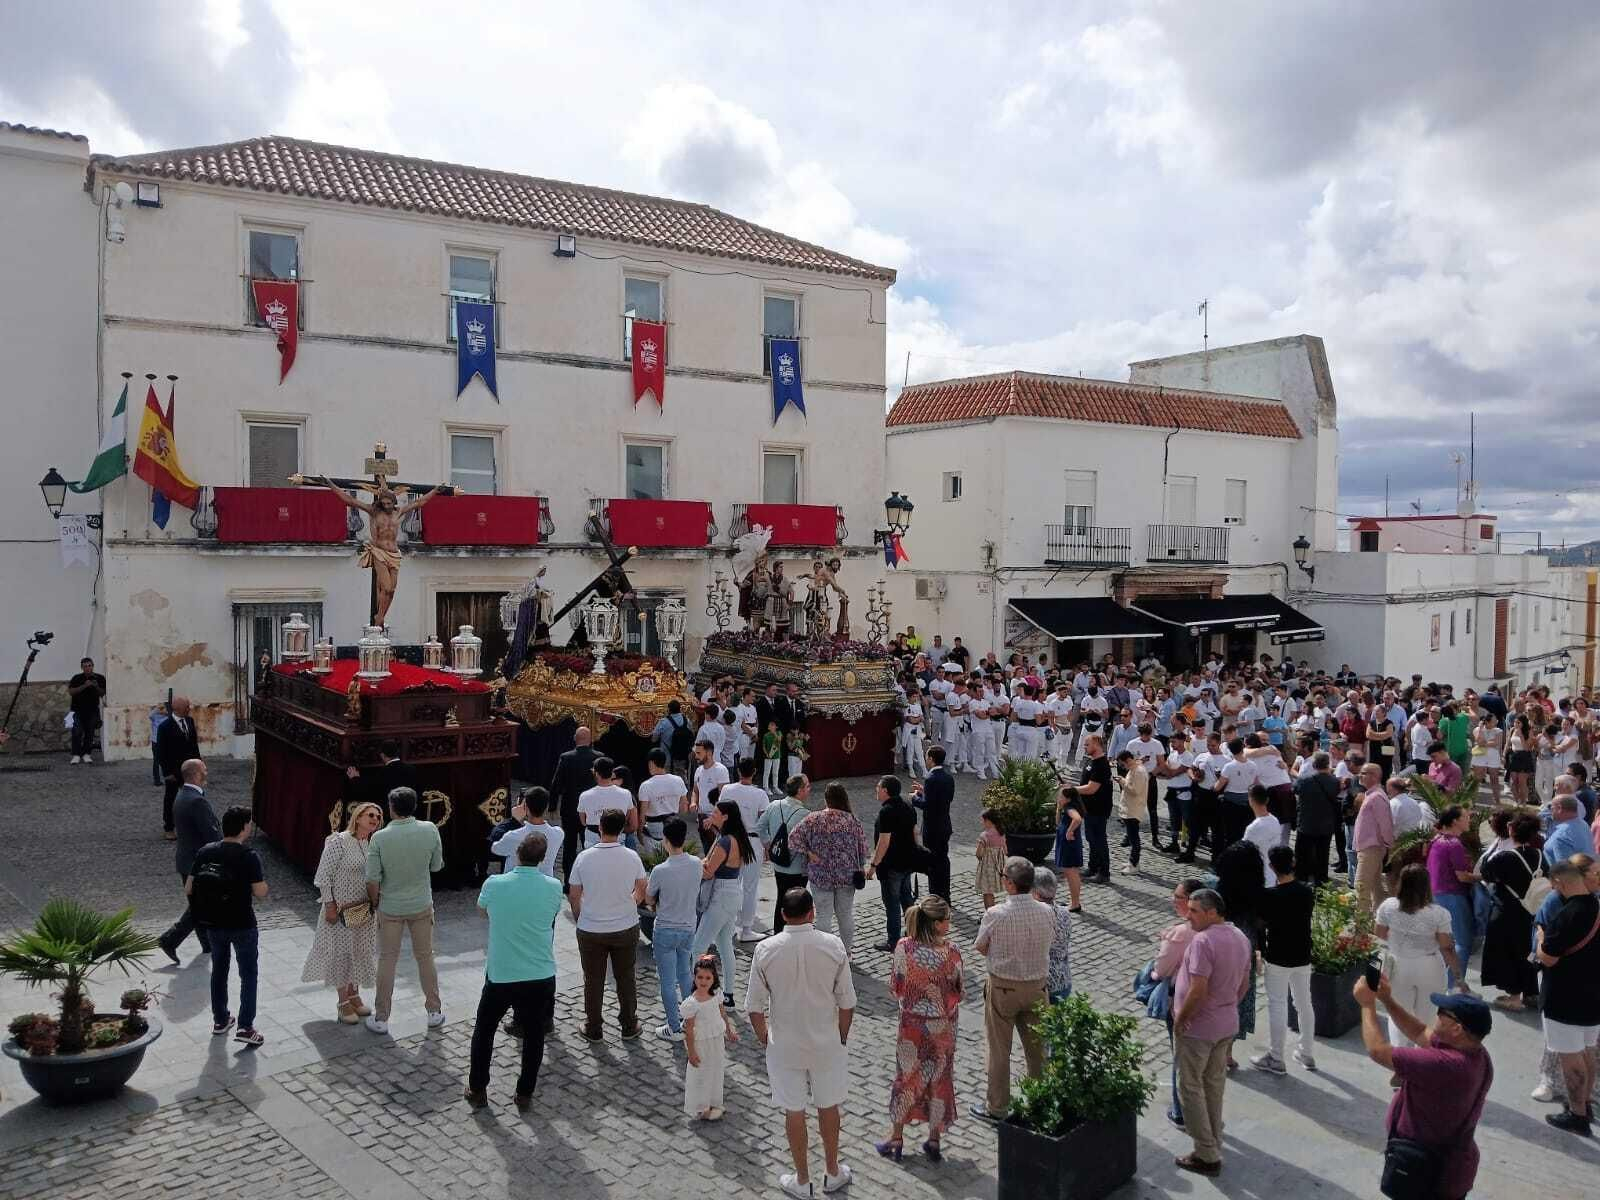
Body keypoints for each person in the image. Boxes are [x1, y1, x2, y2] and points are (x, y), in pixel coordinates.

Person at [747, 888, 857, 1199]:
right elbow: (847, 1002)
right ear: (811, 913)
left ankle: (803, 1178)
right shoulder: (833, 946)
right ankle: (833, 1171)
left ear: (782, 914)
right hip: (826, 1042)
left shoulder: (766, 949)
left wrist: (765, 1039)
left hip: (785, 1044)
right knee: (828, 1105)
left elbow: (754, 1006)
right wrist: (842, 1036)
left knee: (793, 1110)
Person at [1353, 976, 1494, 1200]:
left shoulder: (1447, 1065)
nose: (1437, 1013)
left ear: (1457, 1029)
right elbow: (1419, 1032)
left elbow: (1378, 1050)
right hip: (1446, 1165)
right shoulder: (1476, 1053)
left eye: (1443, 1013)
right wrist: (1387, 1000)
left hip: (1425, 1169)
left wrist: (1367, 1004)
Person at [464, 831, 562, 1111]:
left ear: (517, 854)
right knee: (534, 1035)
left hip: (501, 972)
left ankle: (478, 1087)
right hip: (539, 972)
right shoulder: (553, 887)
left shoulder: (495, 883)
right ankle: (525, 1093)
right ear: (543, 859)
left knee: (485, 1030)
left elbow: (482, 911)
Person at [1171, 888, 1253, 1177]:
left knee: (1190, 1087)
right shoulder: (1241, 937)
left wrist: (1181, 1019)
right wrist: (1227, 1005)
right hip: (1226, 1023)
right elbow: (1244, 982)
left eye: (1194, 911)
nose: (1188, 915)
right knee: (1214, 1084)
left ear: (1212, 912)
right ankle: (1214, 1139)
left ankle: (1206, 1152)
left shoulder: (1202, 942)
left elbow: (1198, 989)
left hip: (1199, 1028)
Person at [970, 857, 1055, 1122]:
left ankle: (997, 1107)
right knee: (1038, 1050)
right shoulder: (1046, 911)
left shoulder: (995, 914)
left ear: (1008, 883)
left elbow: (981, 947)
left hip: (1003, 989)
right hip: (1037, 987)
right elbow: (1050, 941)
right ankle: (1041, 1102)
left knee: (999, 1050)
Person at [878, 894, 962, 1165]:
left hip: (912, 1025)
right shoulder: (951, 952)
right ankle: (934, 1138)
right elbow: (957, 991)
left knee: (907, 1077)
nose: (950, 923)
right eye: (948, 919)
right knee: (940, 1077)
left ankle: (896, 1136)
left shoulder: (904, 947)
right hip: (941, 1026)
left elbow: (896, 986)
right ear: (937, 924)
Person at [364, 786, 446, 1035]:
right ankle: (433, 1011)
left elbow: (372, 879)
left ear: (391, 808)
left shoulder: (379, 838)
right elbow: (436, 866)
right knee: (425, 956)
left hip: (390, 906)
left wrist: (376, 902)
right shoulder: (430, 829)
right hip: (421, 903)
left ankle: (381, 1017)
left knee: (388, 959)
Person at [186, 805, 268, 1047]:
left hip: (214, 923)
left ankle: (221, 1020)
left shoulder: (205, 852)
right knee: (248, 975)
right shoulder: (248, 856)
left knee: (219, 972)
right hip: (242, 923)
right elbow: (260, 891)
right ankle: (245, 1026)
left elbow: (189, 887)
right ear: (244, 827)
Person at [568, 807, 647, 1041]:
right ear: (622, 829)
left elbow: (574, 895)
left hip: (591, 928)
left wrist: (580, 917)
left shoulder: (584, 858)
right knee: (625, 977)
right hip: (625, 926)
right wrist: (631, 902)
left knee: (593, 980)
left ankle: (593, 1027)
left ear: (599, 827)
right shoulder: (631, 857)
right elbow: (642, 888)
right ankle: (629, 1025)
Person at [1534, 857, 1600, 1134]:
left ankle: (1577, 1114)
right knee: (1588, 1053)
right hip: (1592, 994)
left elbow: (1547, 958)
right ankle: (1586, 1102)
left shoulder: (1567, 914)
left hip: (1565, 997)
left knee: (1571, 1058)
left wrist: (1540, 937)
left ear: (1560, 882)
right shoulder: (1595, 905)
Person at [302, 800, 383, 1023]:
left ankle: (354, 994)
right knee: (341, 953)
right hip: (340, 909)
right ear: (358, 817)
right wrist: (329, 905)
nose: (375, 819)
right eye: (370, 815)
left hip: (363, 910)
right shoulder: (339, 841)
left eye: (378, 816)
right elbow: (323, 877)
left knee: (359, 950)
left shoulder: (372, 844)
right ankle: (342, 1001)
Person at [1376, 865, 1467, 1047]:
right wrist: (1458, 977)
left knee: (1398, 1015)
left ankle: (1400, 1062)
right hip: (1429, 967)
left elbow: (1379, 937)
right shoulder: (1439, 914)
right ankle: (1422, 1060)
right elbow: (1447, 948)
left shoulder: (1387, 907)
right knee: (1429, 1018)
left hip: (1398, 964)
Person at [1251, 846, 1316, 1074]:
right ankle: (1306, 1052)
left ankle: (1276, 1057)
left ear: (1271, 867)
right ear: (1294, 863)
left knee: (1277, 1004)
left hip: (1278, 955)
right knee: (1304, 1003)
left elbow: (1261, 923)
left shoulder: (1268, 896)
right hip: (1302, 954)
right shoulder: (1307, 892)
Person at [789, 782, 870, 953]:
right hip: (847, 875)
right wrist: (861, 866)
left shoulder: (813, 818)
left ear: (826, 799)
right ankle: (847, 951)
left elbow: (793, 839)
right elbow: (863, 848)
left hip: (820, 874)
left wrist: (808, 853)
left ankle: (824, 952)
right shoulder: (852, 820)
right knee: (845, 915)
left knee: (823, 915)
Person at [1153, 879, 1205, 1128]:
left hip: (1181, 1002)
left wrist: (1167, 941)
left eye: (1178, 897)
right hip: (1211, 1007)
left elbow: (1162, 969)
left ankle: (1181, 1112)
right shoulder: (1217, 930)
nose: (1174, 900)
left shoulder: (1182, 933)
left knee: (1181, 1059)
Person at [1478, 812, 1543, 1010]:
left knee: (1508, 953)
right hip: (1530, 911)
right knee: (1526, 951)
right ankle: (1531, 992)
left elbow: (1485, 871)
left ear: (1511, 830)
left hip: (1506, 911)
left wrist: (1494, 845)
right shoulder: (1538, 854)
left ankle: (1514, 997)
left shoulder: (1505, 857)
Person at [647, 816, 703, 1042]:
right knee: (685, 975)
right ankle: (689, 1020)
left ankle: (674, 1027)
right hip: (688, 926)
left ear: (666, 840)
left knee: (667, 981)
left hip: (666, 929)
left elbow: (650, 898)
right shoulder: (696, 864)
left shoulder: (661, 870)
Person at [694, 797, 754, 1007]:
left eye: (716, 813)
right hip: (732, 893)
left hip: (720, 895)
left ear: (726, 816)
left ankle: (700, 994)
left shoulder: (724, 841)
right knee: (724, 944)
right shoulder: (736, 838)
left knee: (698, 946)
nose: (712, 815)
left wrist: (698, 864)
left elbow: (708, 872)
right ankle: (728, 993)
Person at [157, 759, 218, 963]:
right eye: (204, 770)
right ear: (196, 775)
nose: (207, 773)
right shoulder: (196, 800)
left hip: (186, 861)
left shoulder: (183, 795)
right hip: (197, 864)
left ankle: (207, 944)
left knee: (199, 904)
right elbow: (211, 834)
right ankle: (169, 939)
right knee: (200, 906)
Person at [1427, 805, 1479, 990]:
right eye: (1466, 817)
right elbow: (1462, 875)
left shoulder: (1437, 840)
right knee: (1462, 943)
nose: (1469, 820)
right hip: (1454, 896)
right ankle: (1455, 987)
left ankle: (1440, 983)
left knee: (1443, 943)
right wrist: (1482, 877)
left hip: (1437, 894)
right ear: (1455, 821)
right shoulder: (1454, 844)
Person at [866, 775, 920, 950]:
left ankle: (893, 940)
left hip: (891, 866)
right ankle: (915, 932)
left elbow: (884, 842)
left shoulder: (886, 812)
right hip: (907, 862)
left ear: (885, 791)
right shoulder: (908, 806)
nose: (876, 789)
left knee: (892, 904)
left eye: (878, 787)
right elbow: (915, 833)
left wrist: (873, 865)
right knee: (907, 900)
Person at [682, 953, 738, 1121]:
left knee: (715, 1069)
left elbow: (722, 1014)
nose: (703, 981)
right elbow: (689, 1030)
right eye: (700, 977)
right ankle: (702, 1107)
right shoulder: (691, 1004)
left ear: (714, 978)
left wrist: (729, 1030)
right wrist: (691, 1052)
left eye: (707, 977)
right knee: (702, 1073)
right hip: (701, 1043)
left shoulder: (717, 995)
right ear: (694, 977)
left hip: (716, 1039)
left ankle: (712, 1100)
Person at [723, 758, 773, 941]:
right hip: (752, 841)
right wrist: (767, 844)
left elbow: (722, 814)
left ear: (738, 771)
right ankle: (746, 929)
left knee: (730, 884)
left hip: (732, 840)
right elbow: (763, 823)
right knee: (750, 888)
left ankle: (728, 926)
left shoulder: (727, 790)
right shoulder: (760, 795)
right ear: (754, 772)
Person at [759, 774, 811, 934]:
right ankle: (794, 934)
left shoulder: (774, 805)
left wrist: (768, 845)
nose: (809, 789)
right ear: (800, 790)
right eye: (808, 786)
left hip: (778, 863)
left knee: (781, 899)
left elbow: (760, 826)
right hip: (797, 868)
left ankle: (778, 933)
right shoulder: (806, 814)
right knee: (796, 903)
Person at [549, 726, 599, 885]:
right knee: (589, 845)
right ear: (590, 739)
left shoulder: (566, 757)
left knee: (569, 846)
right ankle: (588, 880)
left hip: (570, 808)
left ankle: (568, 881)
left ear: (575, 739)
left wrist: (552, 805)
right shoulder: (598, 758)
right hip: (591, 810)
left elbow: (556, 783)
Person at [1068, 733, 1113, 883]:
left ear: (1097, 744)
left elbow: (1091, 788)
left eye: (1087, 744)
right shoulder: (1091, 762)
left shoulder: (1102, 764)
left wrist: (1072, 789)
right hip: (1088, 808)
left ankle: (1104, 872)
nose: (1084, 747)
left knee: (1099, 840)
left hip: (1099, 809)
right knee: (1091, 839)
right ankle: (1093, 866)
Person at [155, 696, 201, 839]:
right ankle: (169, 827)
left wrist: (199, 764)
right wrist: (167, 772)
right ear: (178, 708)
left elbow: (194, 745)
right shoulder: (164, 727)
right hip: (174, 770)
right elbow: (161, 752)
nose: (189, 708)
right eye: (187, 706)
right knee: (171, 798)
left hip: (191, 768)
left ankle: (194, 825)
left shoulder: (190, 721)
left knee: (195, 797)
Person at [491, 787, 563, 879]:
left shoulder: (513, 836)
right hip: (543, 886)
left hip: (515, 885)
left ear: (525, 807)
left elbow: (495, 847)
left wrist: (513, 821)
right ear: (546, 807)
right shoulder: (558, 834)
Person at [913, 746, 954, 901]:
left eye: (926, 757)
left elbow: (927, 805)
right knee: (943, 859)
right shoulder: (948, 777)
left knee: (933, 861)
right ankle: (945, 892)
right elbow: (943, 799)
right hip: (945, 824)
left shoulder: (931, 778)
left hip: (933, 828)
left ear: (931, 759)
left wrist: (914, 798)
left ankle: (935, 893)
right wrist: (925, 791)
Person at [1353, 762, 1394, 916]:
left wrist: (1390, 845)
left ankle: (1360, 925)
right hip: (1369, 847)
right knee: (1375, 886)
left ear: (1374, 776)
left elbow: (1385, 824)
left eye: (1364, 773)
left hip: (1372, 848)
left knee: (1361, 886)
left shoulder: (1376, 797)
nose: (1360, 775)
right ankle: (1379, 919)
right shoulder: (1372, 794)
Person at [1294, 752, 1341, 885]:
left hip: (1306, 823)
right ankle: (1321, 882)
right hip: (1325, 824)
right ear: (1327, 764)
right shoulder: (1334, 781)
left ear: (1314, 765)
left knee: (1302, 854)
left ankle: (1302, 880)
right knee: (1323, 854)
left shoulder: (1304, 780)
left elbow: (1296, 790)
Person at [577, 757, 635, 850]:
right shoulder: (626, 794)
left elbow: (583, 822)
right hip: (617, 840)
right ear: (612, 773)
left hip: (592, 840)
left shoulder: (585, 795)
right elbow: (626, 817)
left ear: (596, 774)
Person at [1033, 867, 1072, 1000]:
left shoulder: (1037, 916)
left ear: (1036, 892)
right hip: (1064, 980)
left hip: (1045, 985)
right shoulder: (1064, 912)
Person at [689, 737, 730, 849]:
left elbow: (724, 797)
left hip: (717, 820)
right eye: (695, 753)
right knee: (707, 850)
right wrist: (693, 802)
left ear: (709, 753)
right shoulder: (698, 771)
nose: (696, 756)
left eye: (699, 753)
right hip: (702, 818)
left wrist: (713, 818)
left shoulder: (721, 770)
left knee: (718, 852)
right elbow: (695, 791)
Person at [66, 656, 105, 764]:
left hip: (92, 710)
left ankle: (87, 754)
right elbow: (71, 692)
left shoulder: (100, 678)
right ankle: (76, 755)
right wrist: (84, 686)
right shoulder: (77, 678)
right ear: (82, 668)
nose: (88, 668)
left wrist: (96, 686)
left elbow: (102, 693)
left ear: (93, 666)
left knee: (90, 733)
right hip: (76, 710)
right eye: (85, 666)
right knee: (76, 732)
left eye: (89, 666)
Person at [1242, 785, 1282, 888]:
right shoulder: (1275, 820)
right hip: (1272, 875)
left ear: (1251, 800)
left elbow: (1243, 853)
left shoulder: (1253, 828)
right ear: (1267, 800)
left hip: (1257, 877)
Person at [1116, 749, 1148, 875]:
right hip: (1130, 808)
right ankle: (1132, 861)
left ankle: (1134, 864)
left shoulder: (1138, 771)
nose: (1123, 767)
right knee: (1132, 837)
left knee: (1134, 839)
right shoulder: (1134, 768)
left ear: (1128, 760)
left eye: (1123, 764)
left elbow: (1135, 790)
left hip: (1134, 809)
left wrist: (1122, 781)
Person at [1544, 792, 1592, 869]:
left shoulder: (1561, 836)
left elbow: (1565, 871)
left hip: (1569, 879)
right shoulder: (1584, 824)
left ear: (1559, 808)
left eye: (1551, 808)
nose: (1550, 811)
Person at [976, 809, 1008, 908]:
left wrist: (981, 858)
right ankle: (993, 910)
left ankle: (989, 912)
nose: (983, 823)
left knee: (987, 892)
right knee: (991, 891)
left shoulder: (984, 835)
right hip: (998, 867)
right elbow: (1006, 851)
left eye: (984, 821)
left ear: (989, 821)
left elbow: (979, 853)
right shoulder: (1001, 833)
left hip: (987, 867)